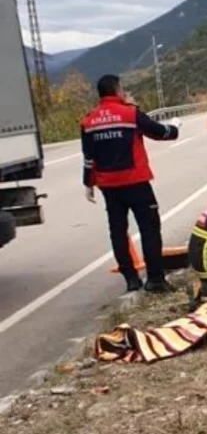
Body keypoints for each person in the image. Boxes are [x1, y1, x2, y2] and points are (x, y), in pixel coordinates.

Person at [81, 75, 181, 293]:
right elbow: (160, 133)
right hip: (135, 181)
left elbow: (88, 157)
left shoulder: (88, 121)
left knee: (118, 230)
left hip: (109, 186)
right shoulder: (130, 113)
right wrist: (175, 127)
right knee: (150, 228)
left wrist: (88, 183)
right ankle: (155, 279)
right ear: (118, 90)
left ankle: (131, 279)